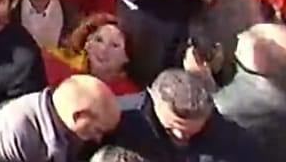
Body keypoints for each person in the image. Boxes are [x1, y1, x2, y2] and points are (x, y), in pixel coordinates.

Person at [111, 68, 260, 161]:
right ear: (153, 99)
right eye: (171, 128)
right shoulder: (120, 119)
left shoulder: (232, 140)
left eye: (190, 133)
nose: (181, 136)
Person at [0, 75, 120, 162]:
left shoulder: (67, 130)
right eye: (98, 130)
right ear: (79, 117)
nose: (98, 139)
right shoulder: (15, 132)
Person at [212, 22, 286, 150]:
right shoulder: (275, 84)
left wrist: (200, 78)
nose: (241, 36)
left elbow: (211, 111)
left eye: (252, 35)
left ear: (262, 61)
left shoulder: (234, 104)